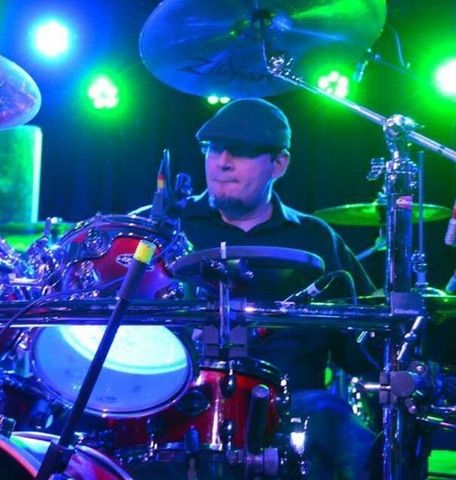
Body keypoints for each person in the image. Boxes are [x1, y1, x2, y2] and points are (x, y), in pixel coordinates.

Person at [132, 98, 377, 480]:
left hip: (295, 406)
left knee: (348, 437)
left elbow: (362, 350)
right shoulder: (163, 227)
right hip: (177, 398)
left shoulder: (315, 238)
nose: (222, 162)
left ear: (279, 164)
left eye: (241, 151)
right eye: (214, 148)